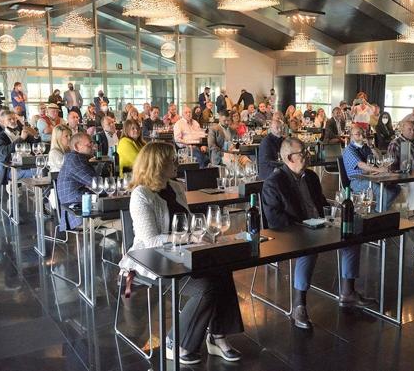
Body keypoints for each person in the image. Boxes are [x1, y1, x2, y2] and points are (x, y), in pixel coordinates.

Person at [118, 142, 243, 365]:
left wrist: (202, 232)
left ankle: (217, 336)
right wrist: (188, 237)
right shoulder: (141, 195)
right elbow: (151, 241)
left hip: (182, 253)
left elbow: (186, 223)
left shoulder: (175, 187)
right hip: (152, 261)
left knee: (223, 269)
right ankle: (174, 342)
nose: (177, 163)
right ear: (158, 164)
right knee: (206, 288)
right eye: (172, 160)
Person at [262, 137, 375, 330]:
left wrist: (335, 216)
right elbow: (275, 221)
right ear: (290, 157)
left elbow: (322, 204)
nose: (308, 155)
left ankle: (348, 292)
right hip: (291, 232)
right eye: (303, 152)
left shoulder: (312, 177)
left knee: (351, 234)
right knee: (309, 247)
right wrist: (306, 226)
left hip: (319, 226)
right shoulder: (274, 182)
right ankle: (299, 305)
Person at [343, 125, 399, 212]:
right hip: (357, 181)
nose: (362, 136)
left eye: (363, 134)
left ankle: (377, 212)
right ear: (351, 136)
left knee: (395, 188)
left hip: (372, 178)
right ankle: (378, 215)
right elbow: (361, 164)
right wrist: (379, 170)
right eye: (358, 134)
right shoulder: (349, 150)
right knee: (383, 191)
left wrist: (372, 147)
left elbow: (379, 158)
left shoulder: (365, 148)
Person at [56, 133, 96, 230]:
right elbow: (96, 183)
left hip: (81, 210)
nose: (93, 147)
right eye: (89, 145)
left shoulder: (73, 158)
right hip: (78, 216)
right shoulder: (76, 160)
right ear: (77, 147)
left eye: (92, 143)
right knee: (124, 219)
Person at [0, 111, 37, 185]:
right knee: (39, 171)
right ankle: (43, 195)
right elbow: (5, 152)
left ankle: (43, 194)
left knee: (44, 169)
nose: (13, 121)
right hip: (11, 170)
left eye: (14, 118)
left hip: (27, 164)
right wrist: (21, 139)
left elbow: (35, 147)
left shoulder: (21, 132)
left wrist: (36, 136)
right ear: (3, 122)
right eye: (9, 119)